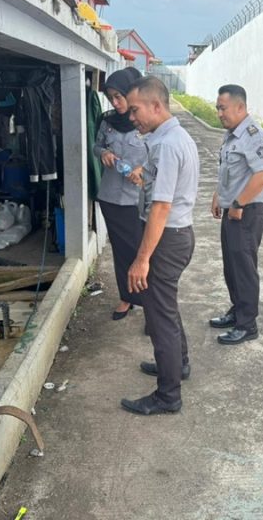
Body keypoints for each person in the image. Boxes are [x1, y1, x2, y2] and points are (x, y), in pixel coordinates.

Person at [120, 76, 199, 415]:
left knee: (159, 316)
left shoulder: (167, 145)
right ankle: (177, 365)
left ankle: (168, 395)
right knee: (166, 308)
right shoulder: (174, 137)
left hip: (166, 239)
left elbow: (161, 207)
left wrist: (142, 259)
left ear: (156, 106)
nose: (131, 117)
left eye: (135, 109)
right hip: (177, 235)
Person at [208, 85, 263, 344]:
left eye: (223, 108)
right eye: (217, 108)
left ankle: (247, 325)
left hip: (247, 212)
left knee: (244, 269)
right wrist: (218, 196)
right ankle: (237, 311)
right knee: (231, 267)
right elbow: (227, 170)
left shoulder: (254, 136)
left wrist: (237, 203)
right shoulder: (231, 135)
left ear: (240, 107)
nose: (219, 113)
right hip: (233, 208)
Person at [93, 67, 146, 321]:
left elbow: (158, 155)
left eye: (119, 96)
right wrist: (102, 153)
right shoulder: (107, 121)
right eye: (111, 97)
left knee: (144, 253)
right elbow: (96, 145)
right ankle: (126, 298)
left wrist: (142, 169)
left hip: (138, 200)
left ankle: (151, 306)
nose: (115, 102)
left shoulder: (144, 121)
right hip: (111, 196)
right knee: (121, 251)